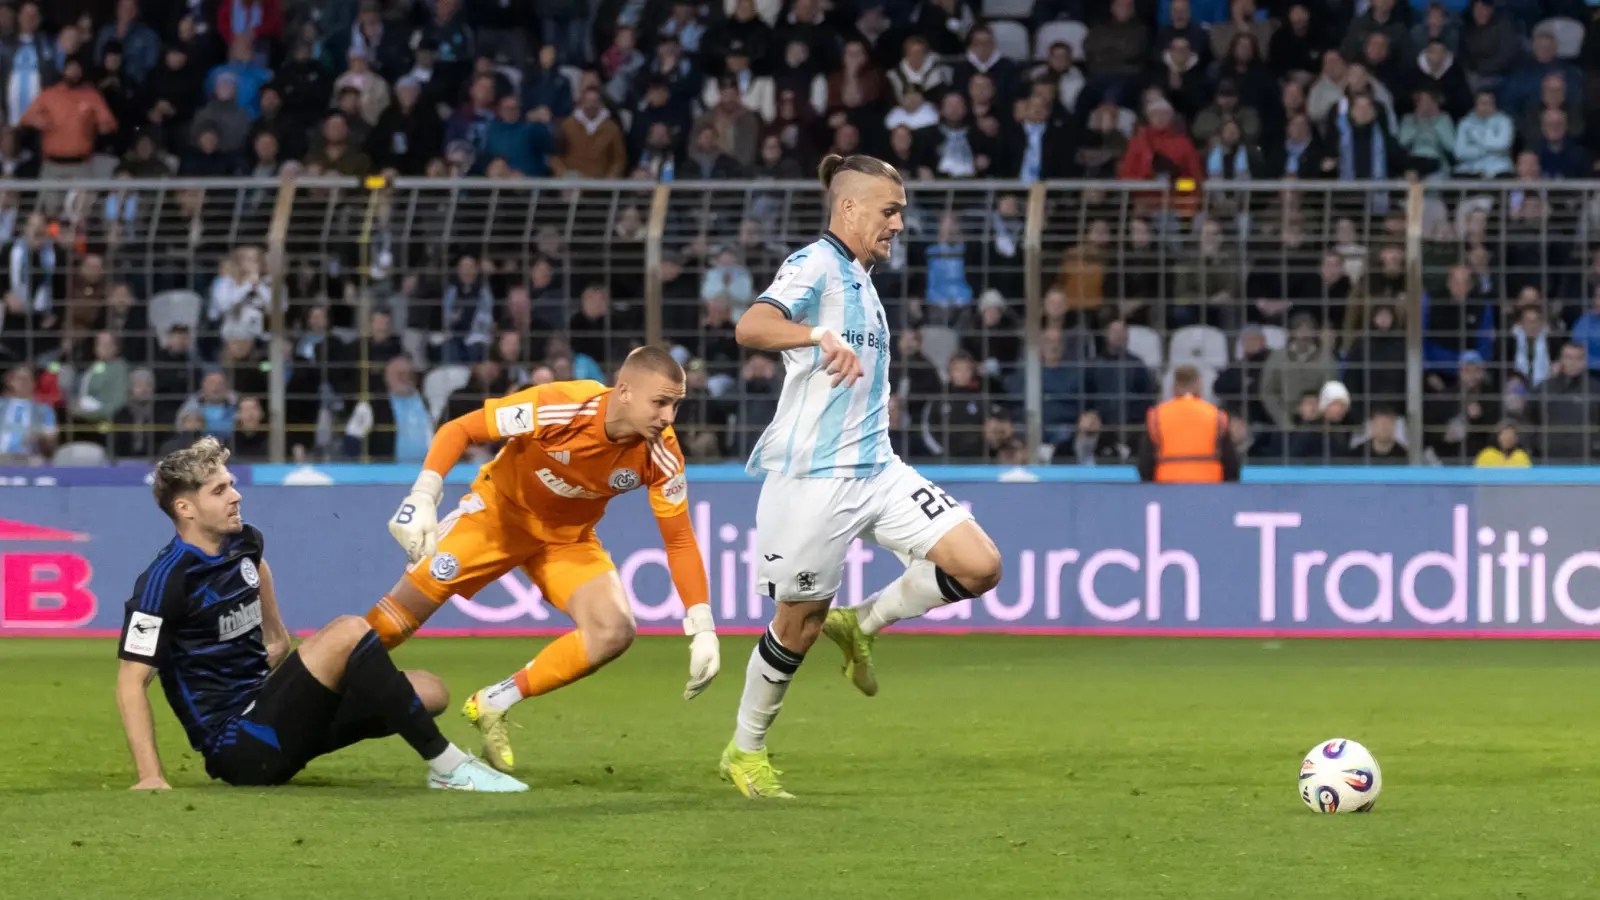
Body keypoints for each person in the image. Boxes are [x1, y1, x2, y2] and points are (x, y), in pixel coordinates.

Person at [722, 154, 1004, 799]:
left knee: (979, 565)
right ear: (848, 208)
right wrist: (817, 336)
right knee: (797, 626)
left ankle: (863, 623)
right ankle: (745, 750)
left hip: (877, 469)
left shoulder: (863, 278)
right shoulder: (815, 264)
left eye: (900, 211)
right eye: (889, 210)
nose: (899, 223)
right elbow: (751, 326)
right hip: (814, 481)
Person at [366, 347, 719, 774]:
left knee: (613, 631)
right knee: (389, 625)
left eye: (676, 405)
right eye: (660, 403)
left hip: (567, 541)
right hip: (496, 518)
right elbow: (460, 429)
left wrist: (702, 626)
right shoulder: (560, 406)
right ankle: (303, 683)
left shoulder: (661, 452)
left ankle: (493, 702)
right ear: (624, 391)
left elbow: (679, 539)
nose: (669, 417)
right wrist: (424, 494)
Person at [115, 438, 524, 791]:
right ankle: (449, 767)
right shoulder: (164, 581)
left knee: (429, 692)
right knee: (348, 630)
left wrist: (276, 635)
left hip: (269, 712)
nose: (235, 496)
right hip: (238, 746)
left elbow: (256, 567)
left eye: (232, 484)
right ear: (185, 508)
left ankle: (422, 759)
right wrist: (150, 776)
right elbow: (131, 681)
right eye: (219, 490)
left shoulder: (244, 541)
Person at [1137, 365, 1240, 482]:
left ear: (1174, 387)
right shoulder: (1217, 416)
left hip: (1167, 485)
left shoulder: (1156, 416)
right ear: (1199, 386)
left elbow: (1145, 463)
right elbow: (1230, 463)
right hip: (1209, 485)